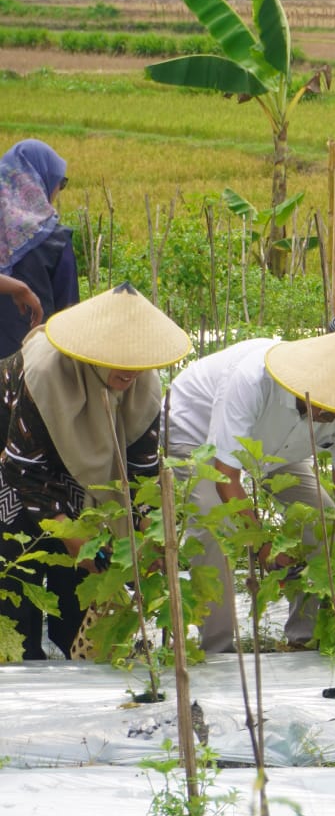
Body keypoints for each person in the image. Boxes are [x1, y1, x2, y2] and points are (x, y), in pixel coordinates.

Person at [170, 331, 335, 653]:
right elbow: (226, 475)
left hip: (277, 450)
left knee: (325, 525)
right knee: (213, 526)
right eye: (326, 405)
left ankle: (305, 639)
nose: (334, 414)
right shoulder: (253, 379)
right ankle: (217, 648)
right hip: (197, 435)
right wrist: (262, 546)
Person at [0, 283, 191, 660]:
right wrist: (75, 539)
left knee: (84, 586)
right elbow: (25, 470)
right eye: (120, 359)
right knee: (16, 572)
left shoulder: (143, 388)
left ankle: (78, 666)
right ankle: (19, 672)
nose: (132, 371)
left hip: (76, 469)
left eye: (140, 360)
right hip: (13, 460)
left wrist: (152, 533)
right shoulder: (46, 373)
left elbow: (141, 471)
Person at [0, 139, 79, 358]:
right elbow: (69, 314)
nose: (58, 190)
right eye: (60, 182)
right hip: (33, 367)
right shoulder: (55, 239)